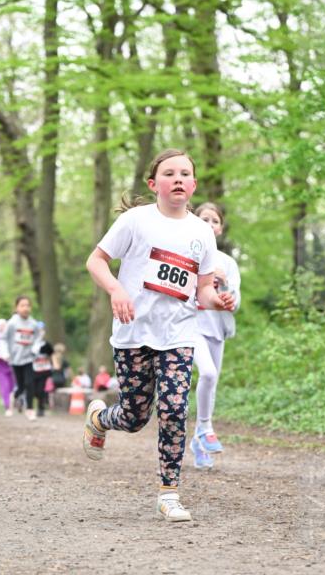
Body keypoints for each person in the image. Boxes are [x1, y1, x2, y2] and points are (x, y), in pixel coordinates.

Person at [83, 148, 235, 523]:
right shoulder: (136, 221)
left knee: (173, 409)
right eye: (169, 173)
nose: (178, 178)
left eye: (185, 173)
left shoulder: (202, 233)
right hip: (134, 332)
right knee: (135, 417)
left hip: (179, 335)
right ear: (154, 184)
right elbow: (95, 261)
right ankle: (101, 419)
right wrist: (117, 290)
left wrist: (220, 301)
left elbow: (201, 294)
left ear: (194, 184)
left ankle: (169, 493)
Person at [190, 202, 241, 469]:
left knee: (211, 384)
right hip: (190, 326)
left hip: (216, 330)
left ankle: (198, 441)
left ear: (220, 229)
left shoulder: (228, 263)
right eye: (204, 219)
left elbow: (236, 302)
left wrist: (226, 285)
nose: (209, 225)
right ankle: (205, 429)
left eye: (215, 221)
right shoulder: (187, 255)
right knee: (207, 373)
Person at [6, 296, 43, 421]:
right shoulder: (12, 323)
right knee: (21, 386)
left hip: (28, 359)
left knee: (29, 383)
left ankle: (30, 409)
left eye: (27, 305)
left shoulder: (33, 324)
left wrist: (35, 349)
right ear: (16, 308)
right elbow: (4, 339)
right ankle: (14, 397)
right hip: (15, 359)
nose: (25, 308)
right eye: (22, 305)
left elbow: (38, 338)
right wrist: (5, 352)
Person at [31, 326, 54, 417]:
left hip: (44, 371)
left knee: (41, 390)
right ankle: (41, 402)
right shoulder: (31, 345)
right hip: (33, 370)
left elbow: (52, 354)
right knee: (34, 391)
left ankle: (41, 408)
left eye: (42, 331)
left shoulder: (47, 344)